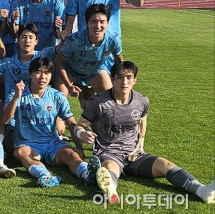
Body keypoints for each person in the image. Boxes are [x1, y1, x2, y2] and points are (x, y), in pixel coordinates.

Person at [75, 61, 215, 204]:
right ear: (112, 79)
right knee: (109, 169)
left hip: (134, 154)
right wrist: (83, 134)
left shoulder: (141, 101)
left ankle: (201, 190)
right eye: (119, 77)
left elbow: (142, 124)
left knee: (166, 165)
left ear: (134, 80)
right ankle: (111, 191)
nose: (125, 82)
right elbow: (79, 126)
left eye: (129, 77)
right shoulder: (98, 102)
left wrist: (139, 147)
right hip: (108, 152)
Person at [1, 57, 100, 187]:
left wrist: (79, 148)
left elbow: (70, 123)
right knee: (20, 153)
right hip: (28, 143)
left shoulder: (57, 96)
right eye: (38, 72)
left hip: (52, 143)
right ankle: (45, 176)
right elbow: (5, 120)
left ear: (51, 75)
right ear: (30, 74)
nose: (42, 77)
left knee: (71, 155)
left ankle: (88, 174)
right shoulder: (17, 93)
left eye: (47, 73)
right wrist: (16, 98)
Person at [55, 4, 122, 108]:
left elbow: (119, 64)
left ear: (108, 23)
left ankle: (92, 123)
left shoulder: (113, 41)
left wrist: (118, 81)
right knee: (59, 103)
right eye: (93, 21)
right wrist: (68, 85)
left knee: (110, 104)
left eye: (102, 22)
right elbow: (58, 61)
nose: (98, 26)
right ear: (87, 23)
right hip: (70, 71)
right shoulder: (75, 40)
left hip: (94, 72)